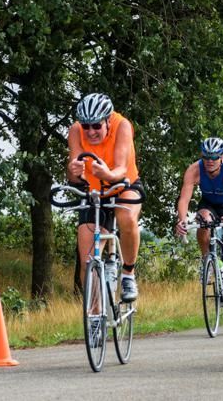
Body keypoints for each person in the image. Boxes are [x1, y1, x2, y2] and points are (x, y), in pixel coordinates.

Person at [67, 93, 143, 303]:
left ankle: (128, 273)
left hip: (123, 183)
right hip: (94, 191)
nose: (90, 131)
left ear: (108, 121)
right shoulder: (75, 130)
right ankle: (94, 315)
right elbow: (74, 173)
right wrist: (74, 170)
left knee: (126, 218)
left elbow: (120, 168)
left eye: (96, 126)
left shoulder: (122, 126)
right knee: (86, 256)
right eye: (86, 126)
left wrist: (107, 175)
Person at [176, 137, 223, 324]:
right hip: (210, 206)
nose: (209, 161)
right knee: (203, 220)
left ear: (222, 157)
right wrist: (182, 219)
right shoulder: (194, 170)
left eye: (214, 157)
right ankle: (207, 259)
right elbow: (184, 199)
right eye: (206, 156)